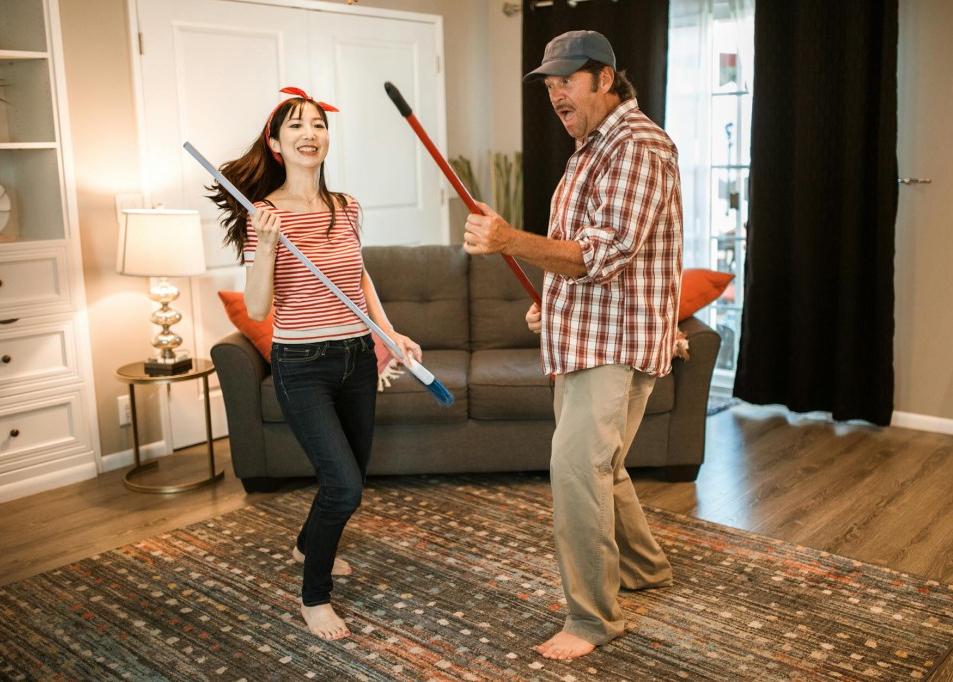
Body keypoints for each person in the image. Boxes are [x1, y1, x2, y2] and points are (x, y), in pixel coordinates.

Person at [462, 31, 683, 660]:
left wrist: (508, 239)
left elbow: (603, 253)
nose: (557, 93)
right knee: (602, 466)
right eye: (550, 84)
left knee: (577, 472)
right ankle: (646, 568)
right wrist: (552, 301)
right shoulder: (591, 148)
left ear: (605, 78)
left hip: (613, 344)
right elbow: (581, 256)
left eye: (568, 80)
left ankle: (591, 620)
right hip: (588, 335)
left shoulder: (636, 145)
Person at [208, 87, 422, 642]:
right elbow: (259, 308)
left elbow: (359, 276)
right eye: (297, 126)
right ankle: (314, 595)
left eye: (319, 124)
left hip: (356, 358)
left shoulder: (346, 206)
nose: (310, 134)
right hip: (302, 365)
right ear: (276, 144)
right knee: (344, 487)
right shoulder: (264, 215)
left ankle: (308, 542)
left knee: (351, 476)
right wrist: (266, 246)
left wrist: (388, 331)